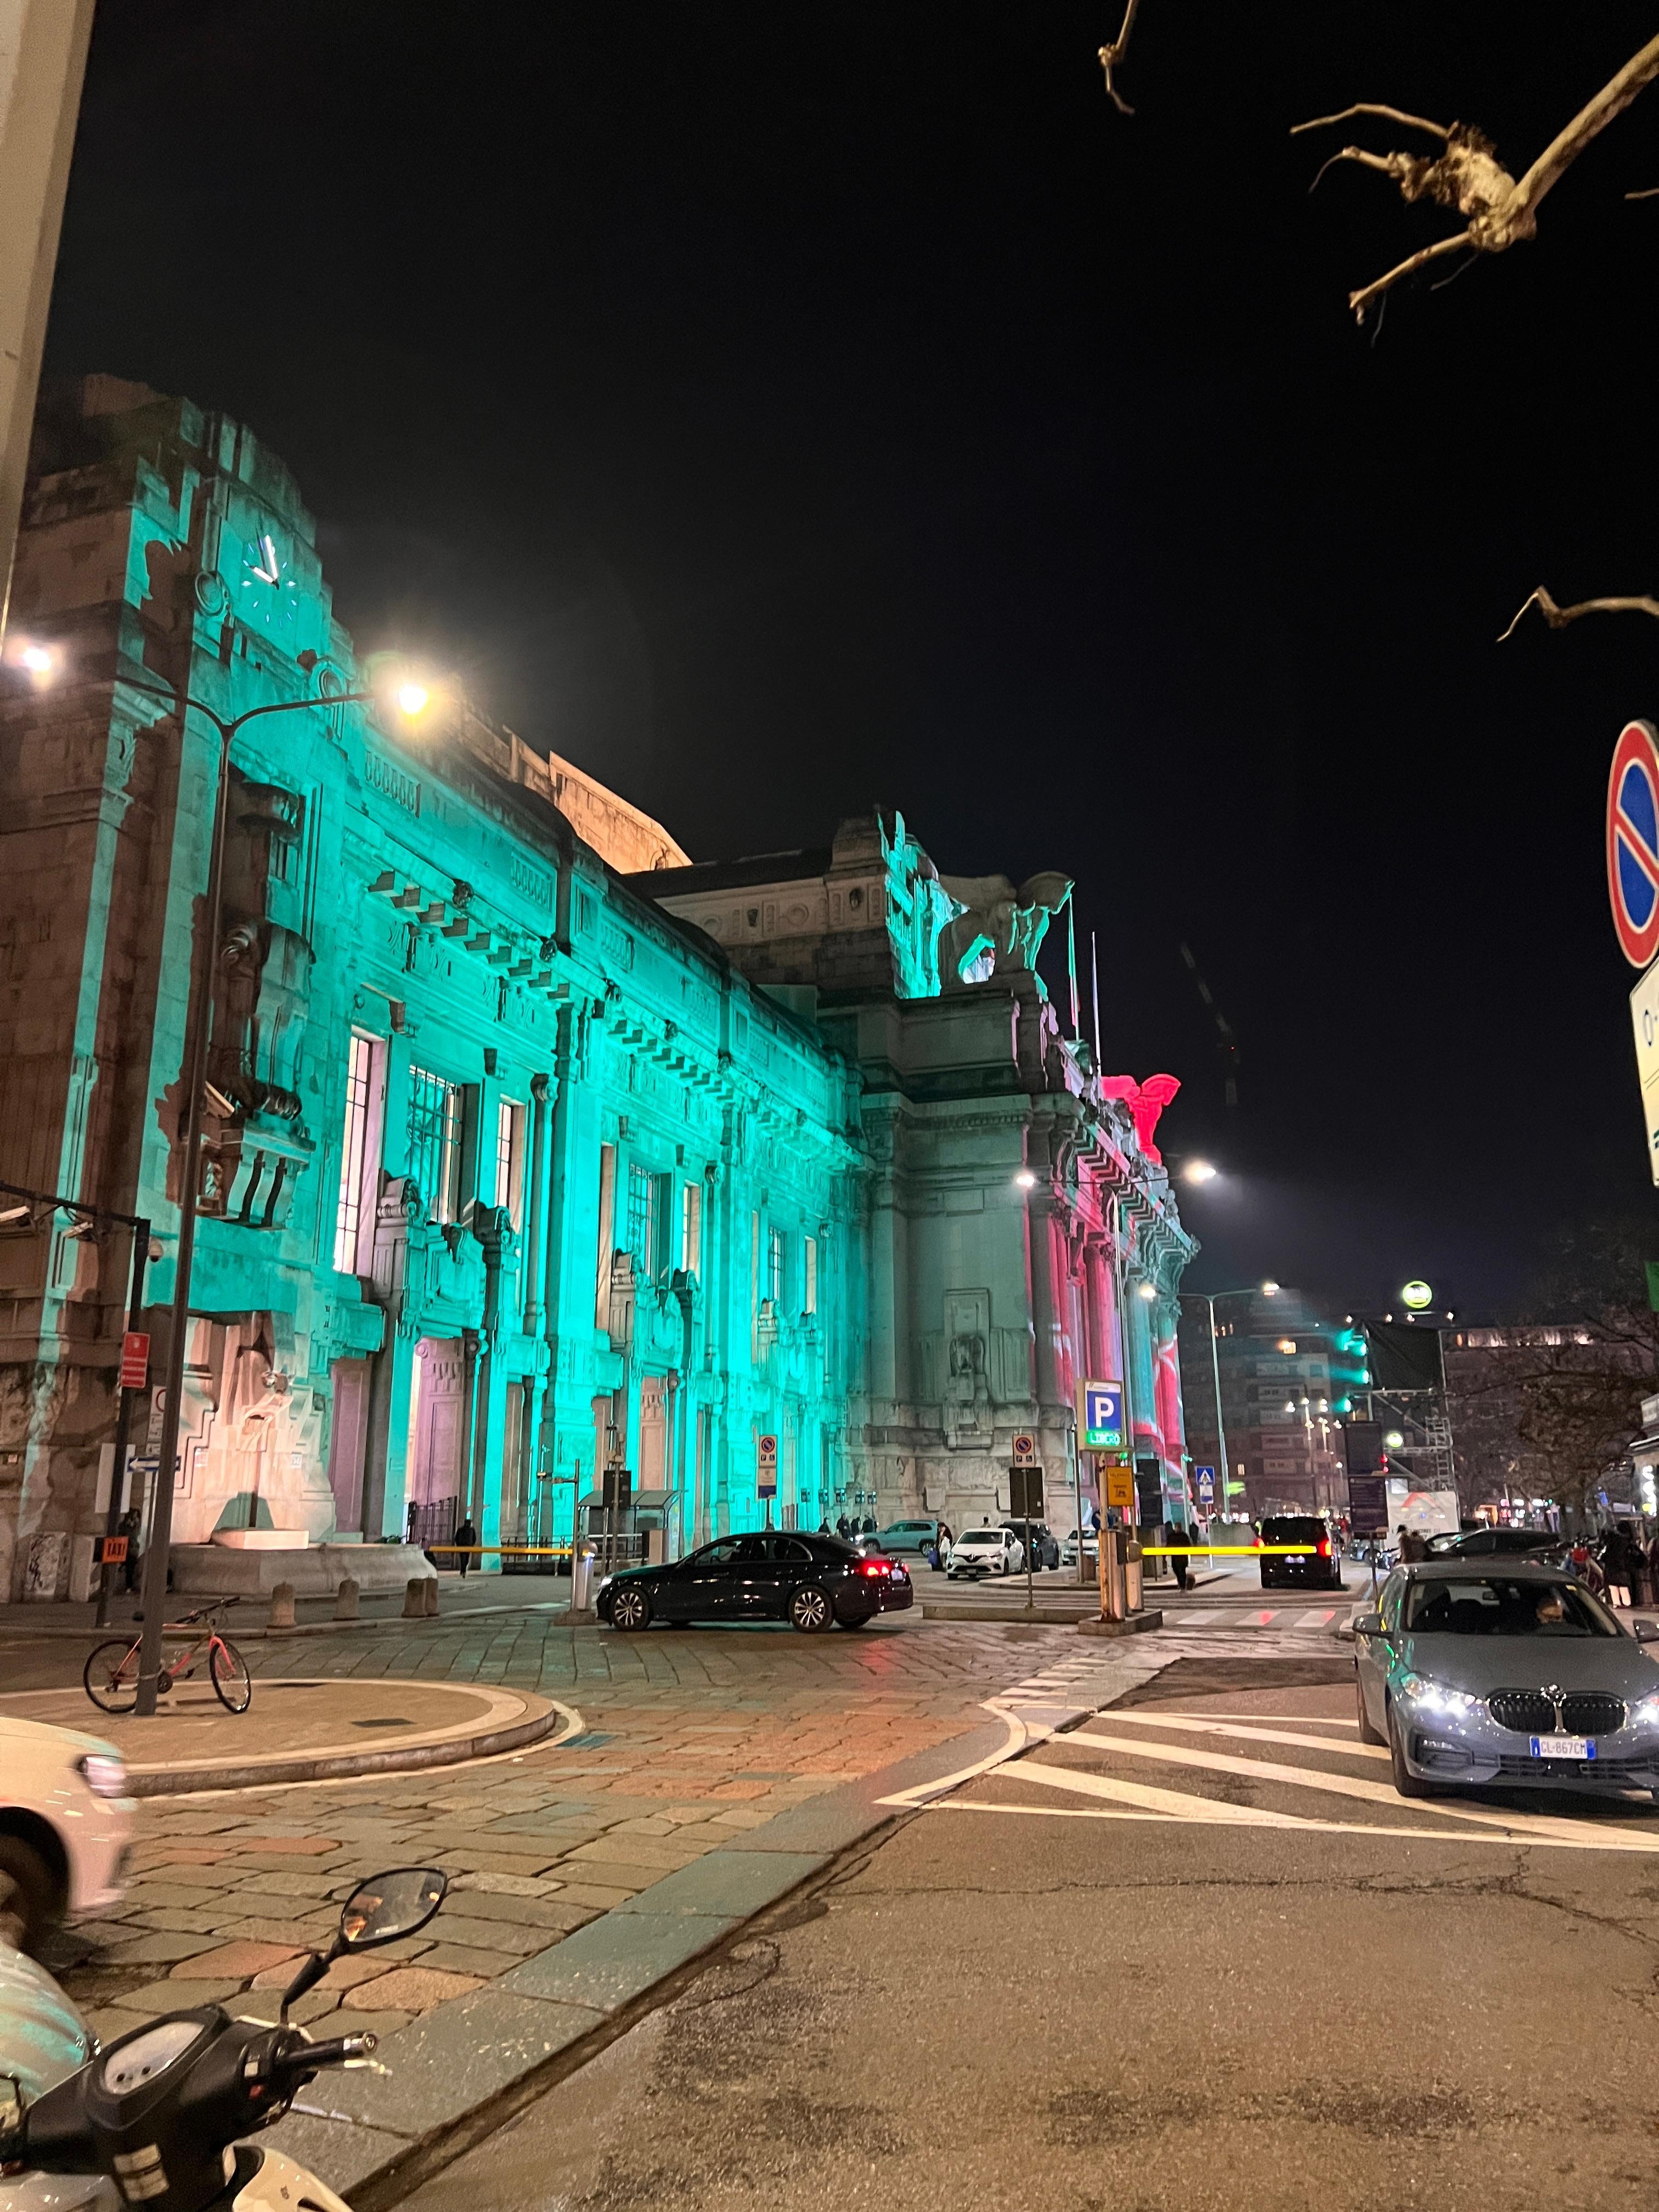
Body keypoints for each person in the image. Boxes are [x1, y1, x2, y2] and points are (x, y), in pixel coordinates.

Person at [117, 1503, 142, 1596]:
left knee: (131, 1566)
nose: (136, 1519)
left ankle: (129, 1584)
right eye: (134, 1516)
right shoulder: (124, 1526)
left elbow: (134, 1537)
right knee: (130, 1565)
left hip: (132, 1551)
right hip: (126, 1550)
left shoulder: (136, 1527)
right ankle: (128, 1584)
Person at [1167, 1519, 1190, 1593]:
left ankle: (1182, 1585)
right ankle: (1181, 1583)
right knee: (1176, 1570)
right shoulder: (1171, 1536)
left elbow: (1188, 1545)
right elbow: (1168, 1546)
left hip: (1182, 1557)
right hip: (1175, 1557)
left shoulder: (1184, 1536)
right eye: (1177, 1528)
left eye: (1179, 1528)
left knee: (1182, 1571)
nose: (1178, 1529)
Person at [452, 1514, 478, 1578]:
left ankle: (463, 1571)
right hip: (467, 1547)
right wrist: (472, 1545)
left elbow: (456, 1538)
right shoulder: (471, 1530)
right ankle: (463, 1571)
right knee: (466, 1559)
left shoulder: (463, 1530)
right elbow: (474, 1539)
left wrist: (458, 1545)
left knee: (463, 1560)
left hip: (463, 1547)